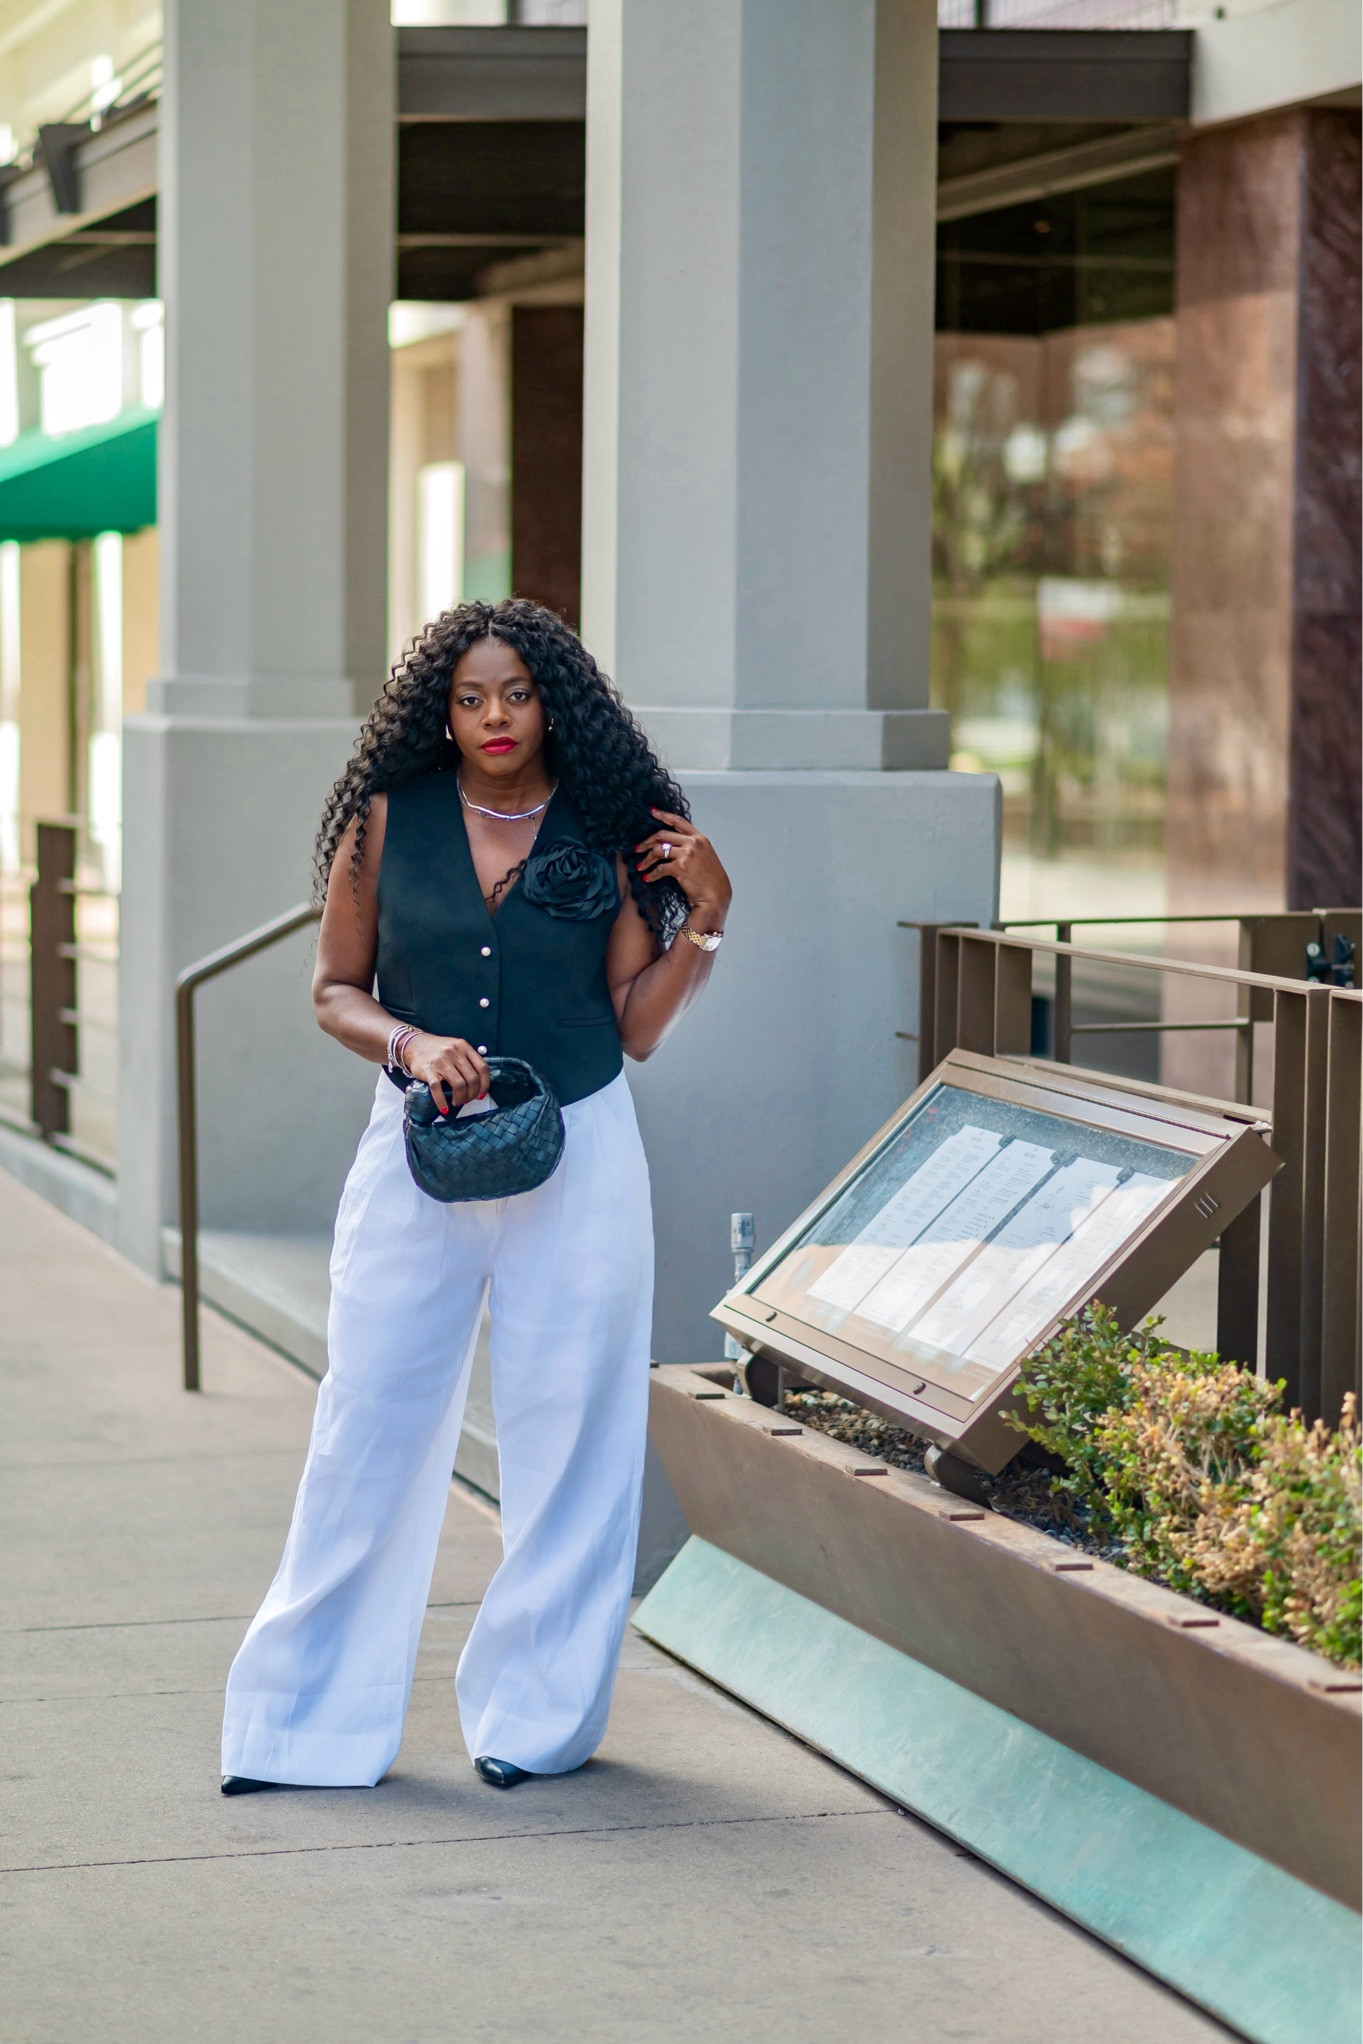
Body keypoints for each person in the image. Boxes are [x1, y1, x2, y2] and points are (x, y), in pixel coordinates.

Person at [220, 598, 731, 1794]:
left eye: (514, 693)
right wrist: (407, 1042)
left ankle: (535, 1720)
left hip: (583, 1147)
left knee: (572, 1431)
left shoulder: (606, 828)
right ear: (438, 713)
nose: (494, 716)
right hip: (418, 1154)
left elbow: (636, 1031)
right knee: (370, 1420)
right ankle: (302, 1726)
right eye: (468, 697)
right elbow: (333, 988)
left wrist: (705, 915)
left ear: (553, 703)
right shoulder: (384, 823)